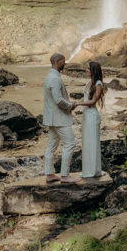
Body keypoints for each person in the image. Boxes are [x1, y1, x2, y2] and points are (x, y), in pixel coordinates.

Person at [43, 53, 78, 184]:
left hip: (52, 119)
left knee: (51, 146)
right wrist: (70, 106)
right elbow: (58, 100)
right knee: (70, 144)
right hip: (59, 119)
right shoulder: (55, 79)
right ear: (58, 62)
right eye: (63, 61)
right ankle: (64, 175)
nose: (65, 63)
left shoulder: (49, 77)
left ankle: (50, 174)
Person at [74, 60, 106, 179]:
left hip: (92, 116)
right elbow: (86, 97)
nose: (86, 70)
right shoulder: (88, 82)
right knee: (87, 143)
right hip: (86, 115)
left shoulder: (98, 84)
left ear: (93, 70)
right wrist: (75, 104)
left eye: (88, 69)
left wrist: (78, 103)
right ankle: (87, 169)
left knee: (93, 143)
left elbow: (93, 101)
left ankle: (94, 171)